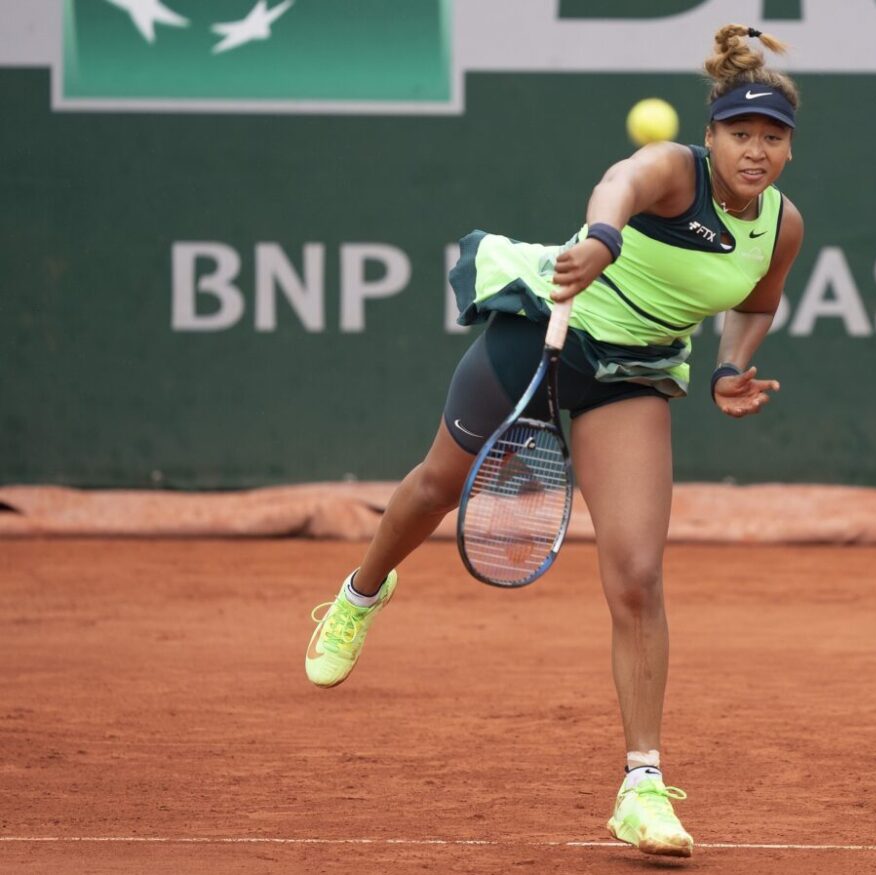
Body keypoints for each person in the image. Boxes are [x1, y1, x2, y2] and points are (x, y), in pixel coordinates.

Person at [304, 23, 804, 859]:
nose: (755, 151)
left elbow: (757, 300)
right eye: (740, 134)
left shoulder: (781, 226)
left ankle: (641, 785)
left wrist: (730, 368)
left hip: (635, 372)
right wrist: (603, 239)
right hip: (550, 331)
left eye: (772, 139)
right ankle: (360, 594)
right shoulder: (673, 172)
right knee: (435, 484)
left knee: (638, 575)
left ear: (789, 151)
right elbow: (618, 181)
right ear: (710, 135)